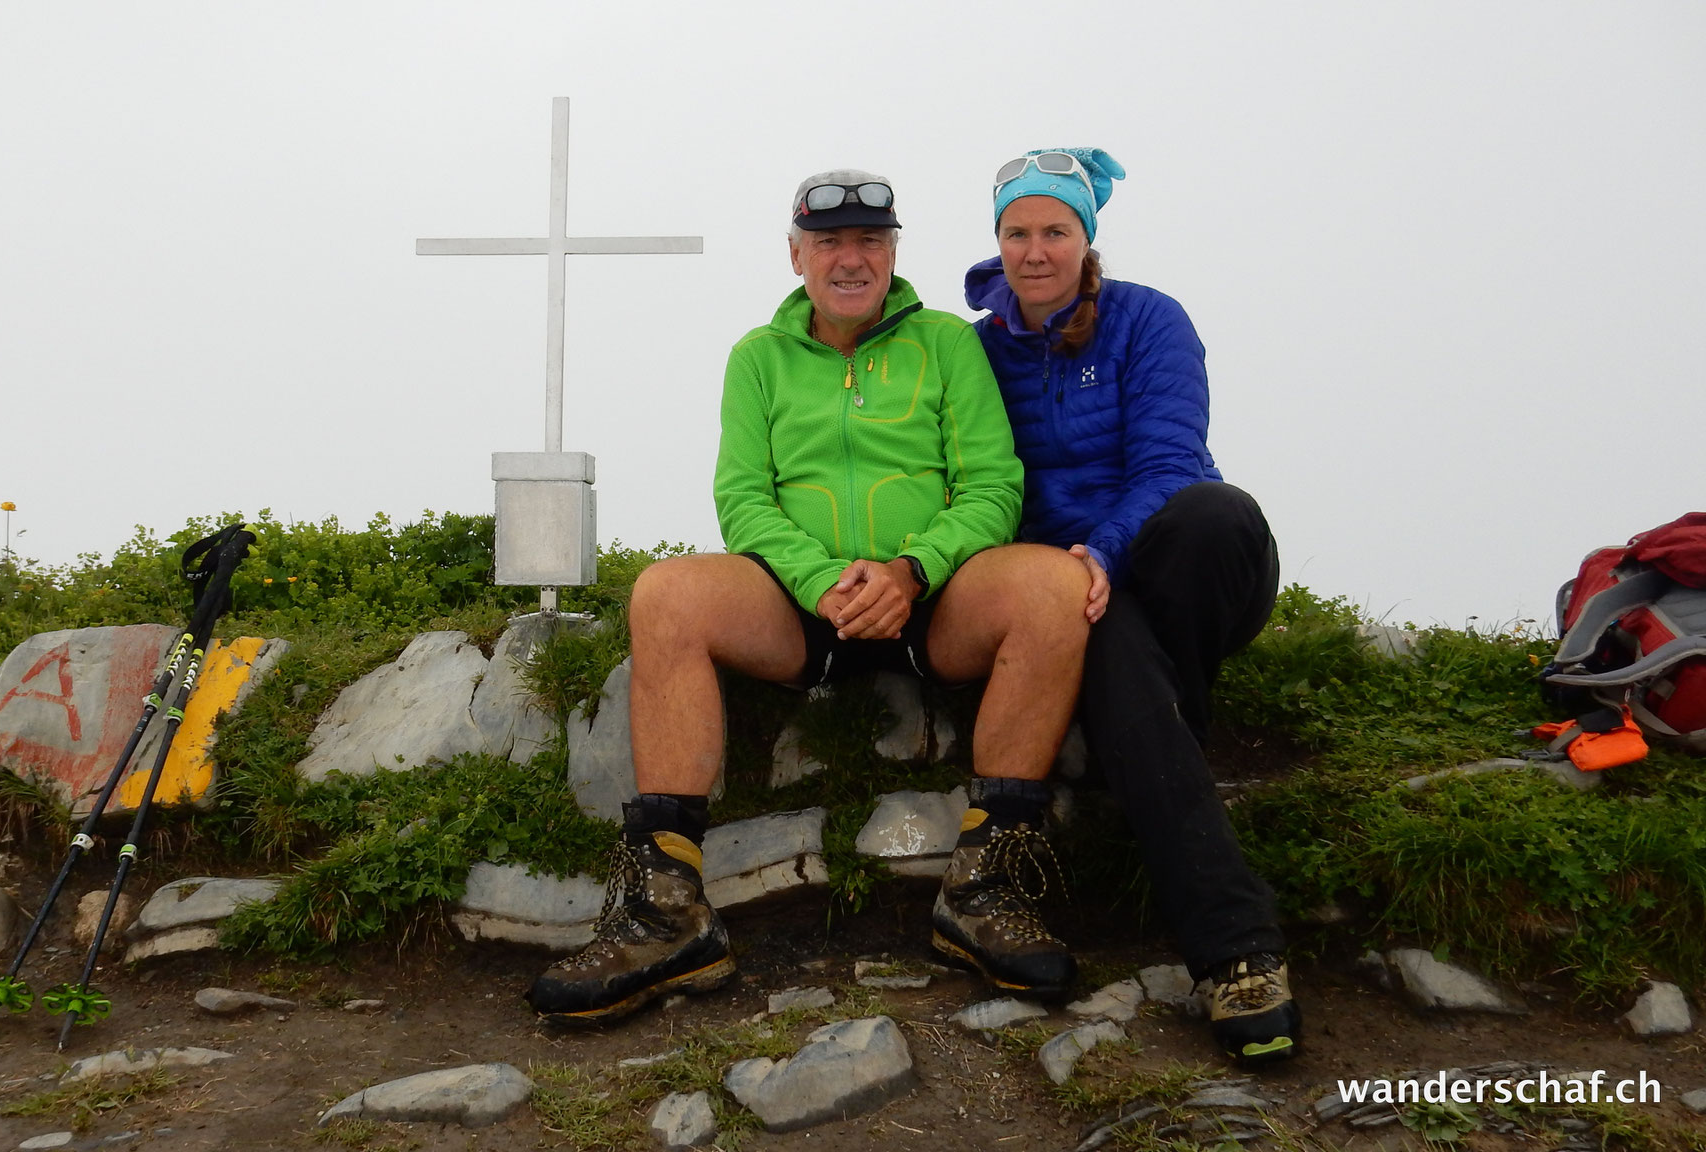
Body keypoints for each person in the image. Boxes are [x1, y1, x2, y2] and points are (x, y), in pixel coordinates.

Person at [525, 170, 1093, 1026]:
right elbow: (744, 498)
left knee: (1054, 580)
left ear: (896, 251)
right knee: (667, 592)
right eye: (830, 242)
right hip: (803, 605)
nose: (852, 259)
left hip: (931, 598)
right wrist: (821, 581)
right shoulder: (757, 356)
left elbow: (991, 487)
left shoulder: (947, 342)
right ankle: (666, 915)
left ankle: (986, 892)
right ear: (797, 255)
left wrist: (910, 569)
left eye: (871, 240)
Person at [962, 148, 1300, 1063]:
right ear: (998, 240)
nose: (1036, 250)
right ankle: (1237, 958)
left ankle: (1151, 732)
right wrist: (1062, 571)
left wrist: (1101, 550)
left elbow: (1171, 461)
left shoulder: (1149, 318)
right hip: (1073, 591)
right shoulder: (977, 350)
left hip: (1181, 565)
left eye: (1055, 231)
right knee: (1104, 636)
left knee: (1214, 514)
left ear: (1086, 237)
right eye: (1018, 231)